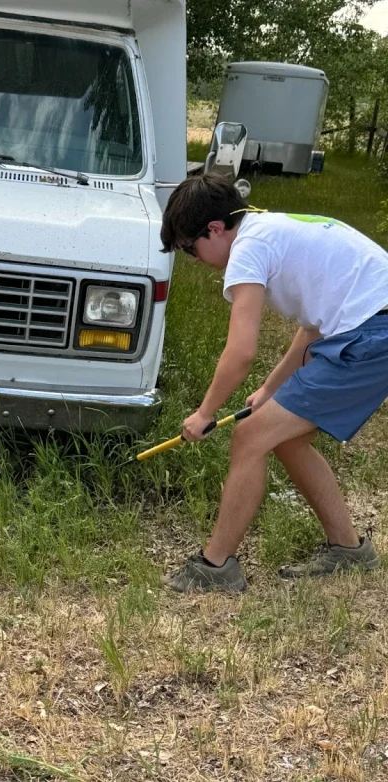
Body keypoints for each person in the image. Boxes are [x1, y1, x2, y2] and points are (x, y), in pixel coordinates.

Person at [158, 172, 387, 593]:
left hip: (372, 334)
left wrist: (205, 413)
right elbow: (313, 328)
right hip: (367, 325)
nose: (194, 259)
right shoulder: (268, 229)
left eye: (191, 249)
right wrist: (269, 390)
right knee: (283, 437)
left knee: (249, 436)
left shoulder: (248, 248)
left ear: (214, 229)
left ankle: (216, 567)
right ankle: (349, 550)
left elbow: (240, 351)